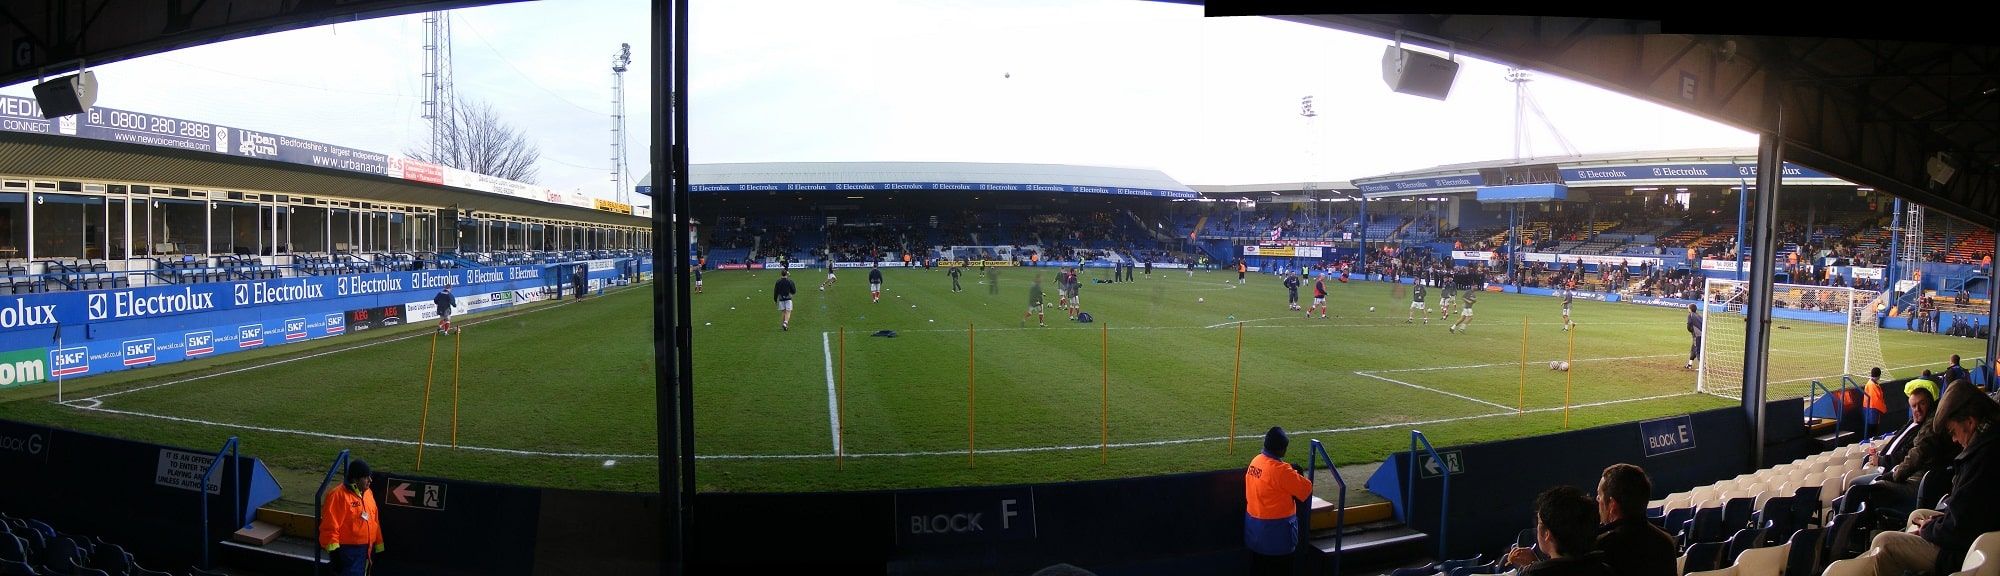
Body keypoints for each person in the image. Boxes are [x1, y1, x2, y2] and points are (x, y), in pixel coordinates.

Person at [1868, 382, 2000, 575]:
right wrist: (1937, 521)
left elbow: (1958, 526)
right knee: (1917, 516)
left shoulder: (1981, 460)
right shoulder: (1989, 445)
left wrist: (1929, 529)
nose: (1954, 440)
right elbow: (1970, 512)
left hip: (1964, 553)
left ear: (1970, 422)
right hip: (1977, 539)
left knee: (1884, 542)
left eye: (1953, 432)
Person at [1841, 377, 1951, 516]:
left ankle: (1842, 529)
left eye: (1922, 404)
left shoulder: (1930, 428)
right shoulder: (1921, 422)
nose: (1917, 409)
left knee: (1856, 489)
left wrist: (1890, 474)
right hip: (1913, 478)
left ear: (1930, 403)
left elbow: (1915, 456)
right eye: (1914, 406)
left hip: (1916, 484)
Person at [1243, 427, 1312, 574]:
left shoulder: (1255, 461)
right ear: (1282, 450)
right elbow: (1306, 489)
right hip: (1277, 539)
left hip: (1254, 535)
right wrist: (1294, 471)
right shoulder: (1281, 471)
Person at [1503, 486, 1614, 576]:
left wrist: (1532, 568)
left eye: (1539, 523)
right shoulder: (1605, 569)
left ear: (1547, 534)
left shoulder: (1532, 573)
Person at [1588, 465, 1676, 576]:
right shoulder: (1666, 541)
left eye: (1599, 496)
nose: (1597, 500)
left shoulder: (1600, 549)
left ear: (1612, 505)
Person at [320, 459, 384, 576]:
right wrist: (335, 556)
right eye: (366, 477)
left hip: (366, 552)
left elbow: (375, 521)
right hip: (348, 554)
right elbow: (329, 528)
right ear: (355, 479)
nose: (370, 480)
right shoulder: (337, 496)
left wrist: (378, 545)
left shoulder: (368, 493)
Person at [1685, 303, 1703, 370]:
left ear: (1690, 309)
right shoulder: (1699, 315)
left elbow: (1689, 325)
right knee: (1693, 349)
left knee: (1697, 351)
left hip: (1697, 335)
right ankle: (1689, 364)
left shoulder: (1691, 315)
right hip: (1702, 335)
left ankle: (1702, 367)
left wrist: (1691, 331)